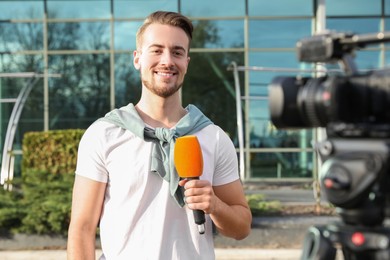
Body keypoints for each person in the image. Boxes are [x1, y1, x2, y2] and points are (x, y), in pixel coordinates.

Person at [67, 10, 252, 260]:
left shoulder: (214, 137)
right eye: (156, 50)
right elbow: (82, 229)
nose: (167, 61)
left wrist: (215, 206)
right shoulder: (103, 134)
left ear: (187, 61)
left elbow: (241, 228)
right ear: (137, 59)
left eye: (177, 52)